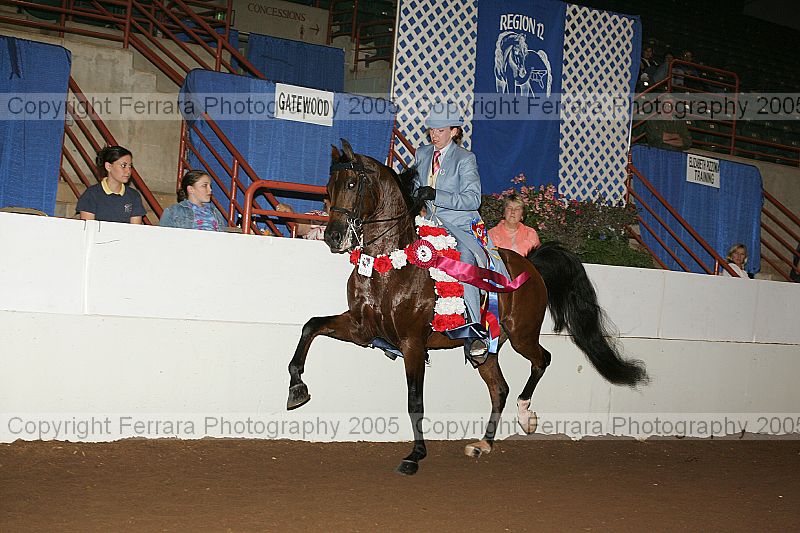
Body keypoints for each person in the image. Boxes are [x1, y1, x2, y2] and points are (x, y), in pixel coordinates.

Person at [412, 104, 493, 364]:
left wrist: (437, 195)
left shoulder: (465, 159)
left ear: (454, 132)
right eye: (432, 130)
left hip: (458, 226)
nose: (434, 135)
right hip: (428, 223)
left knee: (465, 262)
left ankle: (475, 332)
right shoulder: (422, 153)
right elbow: (414, 186)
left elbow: (473, 199)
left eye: (440, 130)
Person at [76, 146, 146, 223]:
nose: (128, 171)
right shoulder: (92, 194)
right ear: (108, 166)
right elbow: (88, 227)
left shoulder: (134, 196)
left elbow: (135, 228)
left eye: (130, 166)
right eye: (123, 166)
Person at [159, 170, 227, 231]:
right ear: (190, 189)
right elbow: (164, 236)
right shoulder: (173, 211)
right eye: (204, 185)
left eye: (210, 186)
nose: (210, 190)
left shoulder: (215, 212)